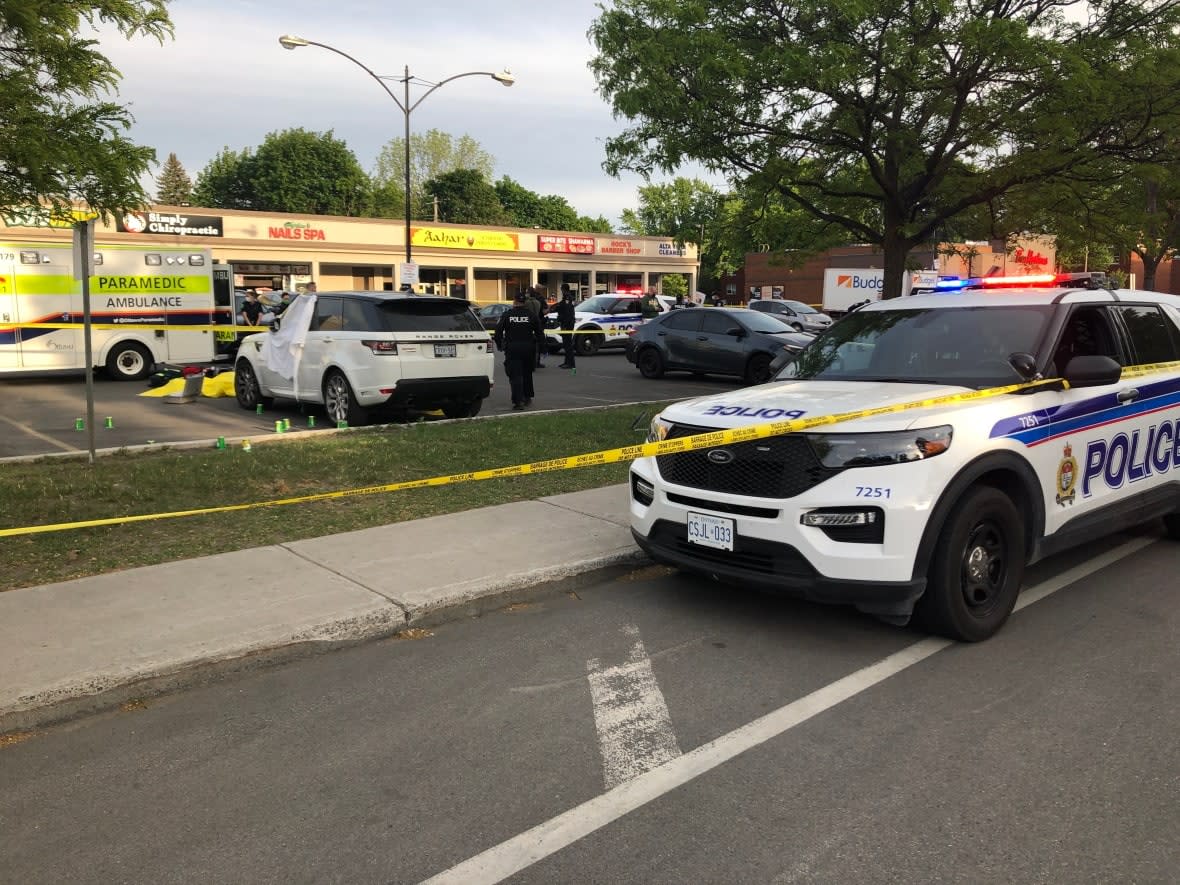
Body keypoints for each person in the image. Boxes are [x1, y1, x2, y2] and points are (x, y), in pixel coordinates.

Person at [494, 291, 545, 410]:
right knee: (527, 374)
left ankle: (518, 401)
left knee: (515, 375)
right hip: (528, 349)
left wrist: (500, 345)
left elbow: (498, 332)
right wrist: (542, 347)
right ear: (524, 302)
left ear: (515, 301)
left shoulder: (507, 315)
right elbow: (539, 332)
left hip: (513, 349)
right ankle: (527, 397)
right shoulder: (531, 315)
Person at [556, 284, 578, 369]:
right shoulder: (566, 297)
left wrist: (565, 324)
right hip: (567, 323)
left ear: (563, 289)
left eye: (561, 289)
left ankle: (570, 364)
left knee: (568, 344)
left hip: (567, 324)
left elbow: (567, 312)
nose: (561, 291)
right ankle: (566, 362)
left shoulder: (567, 297)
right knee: (566, 344)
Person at [525, 286, 547, 367]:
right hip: (538, 323)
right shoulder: (539, 300)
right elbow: (545, 311)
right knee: (538, 342)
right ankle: (537, 361)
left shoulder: (526, 301)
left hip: (528, 324)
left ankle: (529, 361)